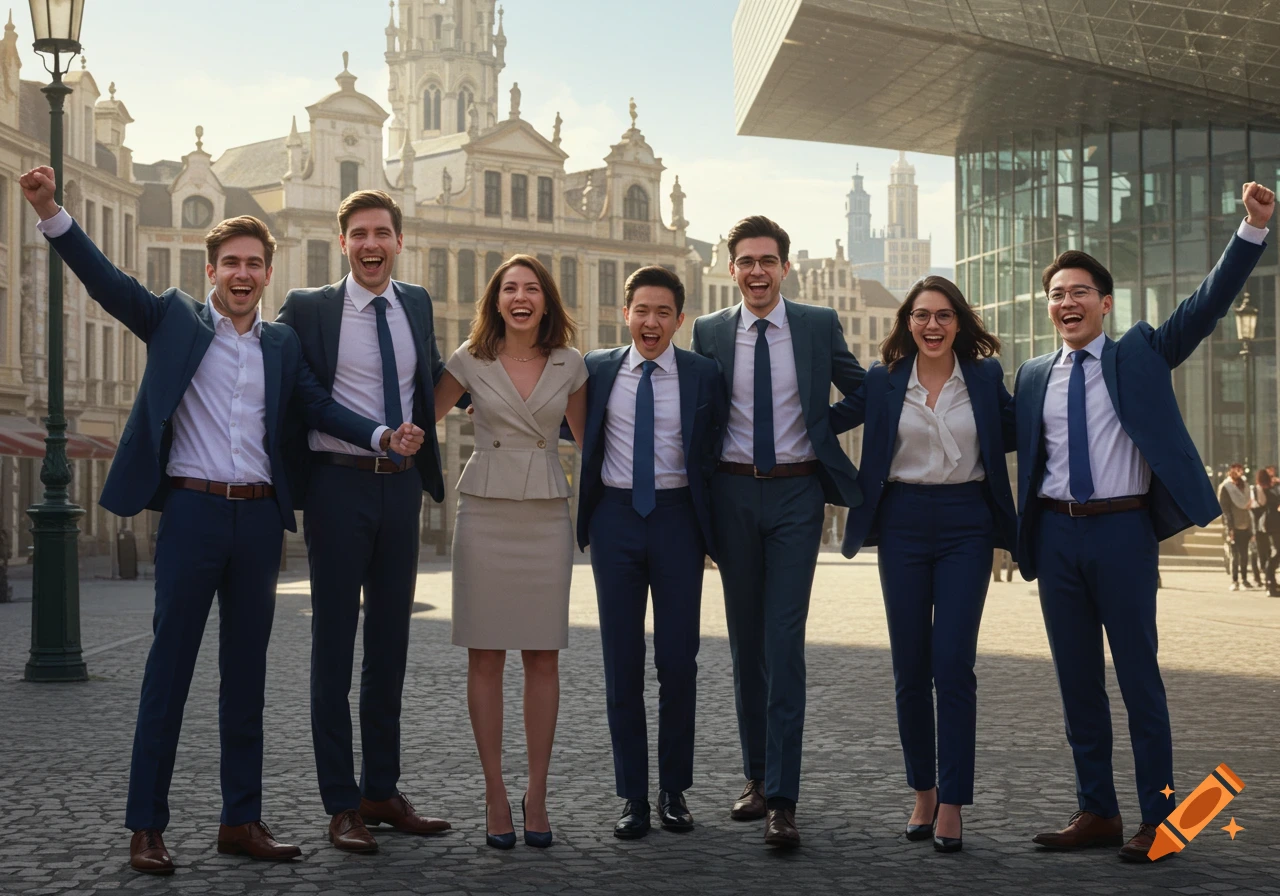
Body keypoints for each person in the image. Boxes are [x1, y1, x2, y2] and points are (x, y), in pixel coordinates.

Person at [17, 167, 423, 875]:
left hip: (259, 520)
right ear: (211, 271)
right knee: (168, 674)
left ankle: (241, 820)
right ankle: (147, 826)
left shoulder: (281, 344)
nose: (242, 274)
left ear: (268, 275)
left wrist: (381, 435)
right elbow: (107, 284)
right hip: (193, 512)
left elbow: (319, 407)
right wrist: (52, 211)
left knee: (246, 680)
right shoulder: (175, 318)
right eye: (231, 263)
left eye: (254, 264)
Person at [1014, 182, 1274, 862]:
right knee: (1077, 685)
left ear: (1106, 303)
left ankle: (1160, 820)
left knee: (1139, 682)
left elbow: (1206, 305)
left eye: (1080, 292)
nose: (1067, 302)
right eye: (1057, 294)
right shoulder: (1033, 375)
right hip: (1056, 535)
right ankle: (1097, 811)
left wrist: (1251, 228)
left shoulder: (1140, 352)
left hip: (1122, 534)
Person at [276, 191, 453, 853]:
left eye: (382, 232)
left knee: (389, 646)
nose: (371, 244)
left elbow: (432, 377)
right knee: (333, 647)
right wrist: (377, 434)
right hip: (337, 485)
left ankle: (381, 790)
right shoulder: (309, 308)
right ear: (343, 242)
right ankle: (341, 804)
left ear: (399, 241)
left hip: (400, 489)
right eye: (359, 234)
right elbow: (302, 395)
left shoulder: (416, 302)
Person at [690, 215, 865, 848]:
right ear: (732, 269)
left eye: (768, 260)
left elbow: (864, 390)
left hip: (796, 493)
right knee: (746, 644)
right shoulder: (709, 331)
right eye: (746, 261)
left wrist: (820, 425)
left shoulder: (817, 324)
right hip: (732, 493)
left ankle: (784, 800)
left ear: (785, 268)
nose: (757, 271)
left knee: (784, 641)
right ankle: (757, 778)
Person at [829, 276, 1015, 853]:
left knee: (953, 665)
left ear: (959, 322)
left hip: (967, 523)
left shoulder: (984, 377)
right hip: (902, 522)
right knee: (910, 668)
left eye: (943, 315)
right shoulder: (884, 381)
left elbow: (1027, 429)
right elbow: (822, 424)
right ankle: (924, 793)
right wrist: (848, 486)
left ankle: (953, 801)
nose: (932, 325)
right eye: (921, 315)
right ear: (907, 323)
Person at [432, 255, 587, 849]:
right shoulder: (468, 360)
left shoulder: (571, 363)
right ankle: (495, 792)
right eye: (509, 289)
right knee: (486, 656)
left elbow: (591, 442)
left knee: (544, 656)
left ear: (547, 301)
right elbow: (417, 421)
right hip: (484, 512)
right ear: (495, 301)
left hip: (546, 514)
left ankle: (537, 794)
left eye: (531, 289)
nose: (520, 298)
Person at [576, 266, 725, 839]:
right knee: (622, 662)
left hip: (678, 519)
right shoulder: (597, 368)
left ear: (679, 320)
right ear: (626, 314)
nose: (651, 321)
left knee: (678, 662)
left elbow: (716, 444)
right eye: (642, 310)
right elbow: (564, 420)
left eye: (664, 312)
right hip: (614, 519)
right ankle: (633, 797)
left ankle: (674, 791)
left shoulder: (703, 374)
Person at [1218, 463, 1254, 591]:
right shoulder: (1226, 487)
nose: (1239, 472)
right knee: (1234, 554)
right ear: (1231, 471)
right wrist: (1229, 528)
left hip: (1246, 524)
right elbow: (1225, 510)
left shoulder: (1246, 486)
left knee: (1244, 554)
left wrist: (1252, 526)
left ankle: (1244, 579)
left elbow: (1250, 505)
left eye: (1240, 470)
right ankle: (1235, 580)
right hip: (1233, 525)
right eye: (1236, 470)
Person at [1254, 468, 1275, 592]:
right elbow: (1263, 503)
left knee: (1266, 552)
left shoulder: (1263, 489)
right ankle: (1268, 580)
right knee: (1267, 553)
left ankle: (1268, 579)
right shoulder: (1264, 490)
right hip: (1266, 524)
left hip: (1263, 525)